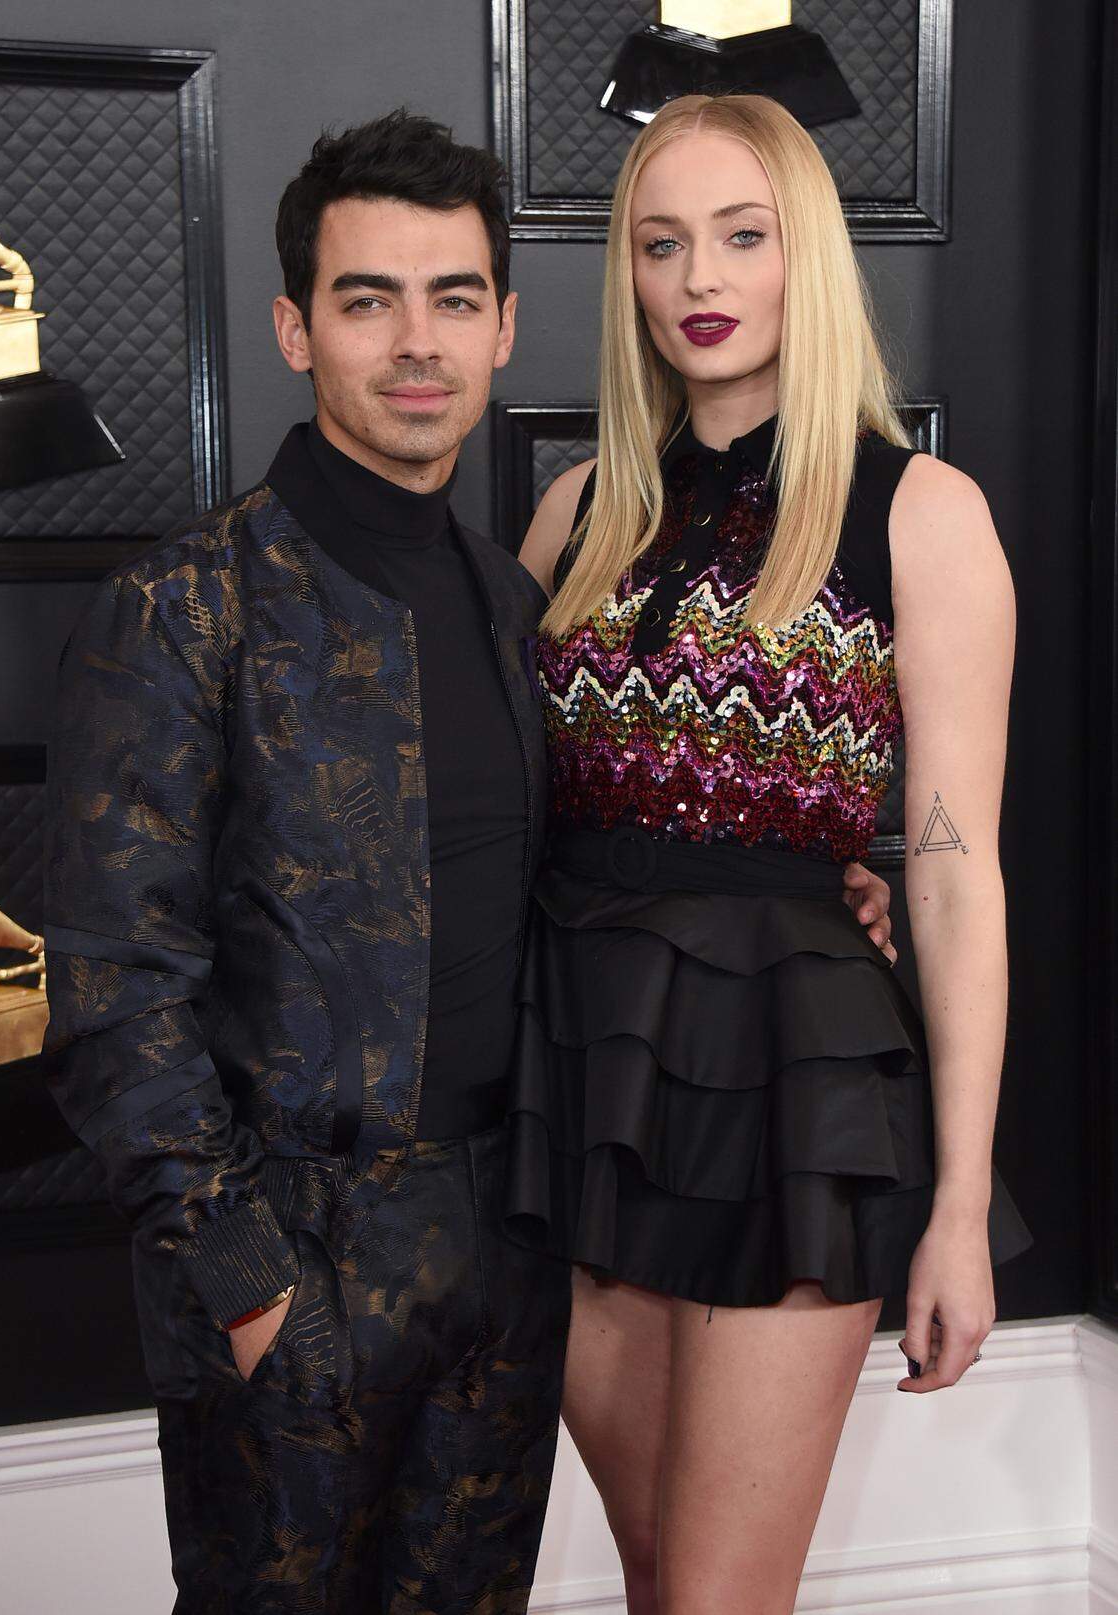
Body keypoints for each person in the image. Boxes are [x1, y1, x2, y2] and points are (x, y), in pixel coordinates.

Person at [40, 107, 897, 1613]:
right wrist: (244, 1287)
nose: (415, 343)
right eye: (369, 301)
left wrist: (825, 888)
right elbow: (117, 994)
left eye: (453, 301)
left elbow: (609, 850)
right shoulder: (185, 606)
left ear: (505, 327)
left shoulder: (527, 604)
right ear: (298, 331)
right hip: (292, 1253)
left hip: (513, 1247)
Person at [506, 92, 1034, 1615]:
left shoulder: (919, 514)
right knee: (664, 1575)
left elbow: (949, 870)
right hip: (582, 1078)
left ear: (805, 256)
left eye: (741, 236)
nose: (697, 278)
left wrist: (958, 1211)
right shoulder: (574, 514)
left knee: (722, 1601)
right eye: (661, 245)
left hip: (798, 1091)